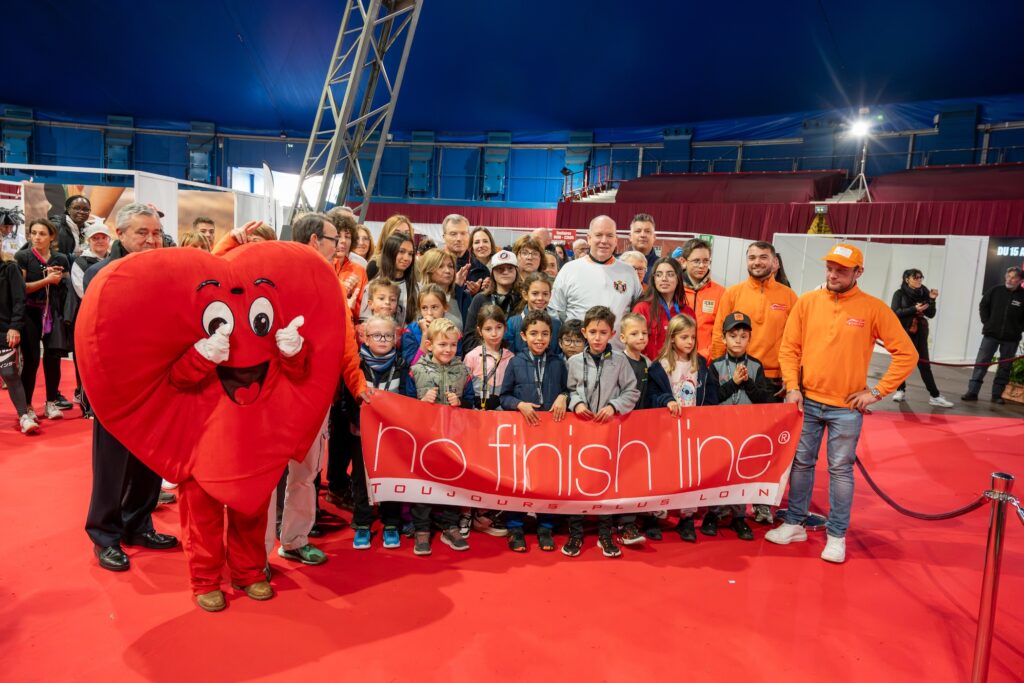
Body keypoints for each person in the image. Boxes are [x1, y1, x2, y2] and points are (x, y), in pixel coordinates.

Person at [768, 243, 917, 563]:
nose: (833, 274)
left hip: (846, 408)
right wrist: (792, 387)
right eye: (830, 268)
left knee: (840, 470)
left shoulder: (873, 308)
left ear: (858, 272)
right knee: (801, 464)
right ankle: (794, 522)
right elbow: (789, 348)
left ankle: (836, 535)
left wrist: (877, 393)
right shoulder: (808, 302)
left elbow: (907, 354)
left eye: (842, 270)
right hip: (807, 401)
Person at [269, 212, 370, 568]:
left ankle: (294, 540)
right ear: (315, 240)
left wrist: (356, 384)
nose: (340, 245)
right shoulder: (272, 275)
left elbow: (344, 340)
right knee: (267, 476)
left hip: (315, 397)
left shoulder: (330, 280)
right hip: (273, 396)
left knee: (306, 472)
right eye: (333, 239)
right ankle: (253, 554)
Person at [83, 203, 178, 572]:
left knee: (150, 461)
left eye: (155, 232)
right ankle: (104, 535)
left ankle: (138, 524)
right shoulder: (100, 273)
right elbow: (89, 335)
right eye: (142, 232)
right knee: (111, 466)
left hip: (158, 384)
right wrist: (90, 388)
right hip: (115, 386)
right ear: (120, 234)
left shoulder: (166, 270)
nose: (151, 239)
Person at [563, 305, 640, 558]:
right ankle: (576, 532)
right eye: (593, 332)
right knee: (579, 482)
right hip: (581, 432)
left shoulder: (620, 361)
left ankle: (605, 533)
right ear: (584, 332)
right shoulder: (574, 362)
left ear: (613, 334)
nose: (597, 337)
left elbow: (632, 391)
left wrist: (613, 406)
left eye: (603, 332)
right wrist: (577, 403)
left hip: (608, 432)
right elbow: (570, 390)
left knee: (606, 483)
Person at [499, 309, 569, 552]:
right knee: (518, 480)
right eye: (534, 334)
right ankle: (515, 526)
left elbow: (568, 389)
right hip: (523, 435)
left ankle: (545, 526)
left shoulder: (559, 363)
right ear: (523, 335)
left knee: (547, 480)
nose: (539, 338)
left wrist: (563, 396)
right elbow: (504, 396)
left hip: (551, 436)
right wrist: (519, 404)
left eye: (545, 334)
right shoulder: (515, 362)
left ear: (552, 336)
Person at [347, 315, 416, 550]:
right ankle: (363, 523)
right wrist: (360, 422)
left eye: (388, 336)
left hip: (391, 435)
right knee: (360, 480)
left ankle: (391, 524)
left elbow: (407, 398)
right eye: (377, 335)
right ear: (365, 338)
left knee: (390, 478)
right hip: (362, 434)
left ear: (396, 338)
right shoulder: (356, 365)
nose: (383, 340)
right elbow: (347, 401)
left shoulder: (401, 364)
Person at [410, 318, 476, 555]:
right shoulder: (415, 370)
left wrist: (462, 402)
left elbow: (473, 403)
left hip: (454, 438)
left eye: (452, 345)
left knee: (453, 481)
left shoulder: (463, 371)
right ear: (429, 345)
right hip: (423, 438)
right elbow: (401, 404)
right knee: (422, 483)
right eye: (442, 345)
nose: (448, 350)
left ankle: (450, 524)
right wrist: (419, 402)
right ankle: (422, 528)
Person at [705, 312, 772, 536]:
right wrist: (734, 383)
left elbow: (764, 399)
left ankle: (739, 515)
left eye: (743, 336)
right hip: (720, 430)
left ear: (749, 340)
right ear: (723, 338)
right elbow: (711, 399)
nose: (738, 340)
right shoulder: (714, 366)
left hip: (747, 429)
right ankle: (713, 513)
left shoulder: (756, 366)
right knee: (718, 471)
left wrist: (748, 382)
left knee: (742, 472)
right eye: (733, 335)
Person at [657, 314, 718, 542]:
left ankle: (687, 517)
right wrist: (666, 399)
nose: (690, 342)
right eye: (684, 337)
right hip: (668, 429)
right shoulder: (661, 365)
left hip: (693, 429)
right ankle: (657, 513)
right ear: (672, 338)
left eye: (693, 337)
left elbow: (710, 394)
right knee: (665, 471)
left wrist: (707, 415)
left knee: (690, 472)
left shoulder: (700, 364)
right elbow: (654, 394)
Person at [618, 312, 679, 541]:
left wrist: (667, 401)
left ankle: (635, 519)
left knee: (638, 475)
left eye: (644, 333)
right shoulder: (617, 362)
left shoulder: (649, 364)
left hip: (642, 430)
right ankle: (621, 522)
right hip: (619, 428)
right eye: (634, 333)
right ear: (622, 337)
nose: (641, 337)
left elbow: (656, 393)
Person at [710, 241, 797, 397]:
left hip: (773, 380)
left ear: (774, 261)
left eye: (763, 257)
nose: (757, 262)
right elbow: (718, 335)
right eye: (752, 258)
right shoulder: (732, 293)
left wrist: (791, 379)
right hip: (736, 374)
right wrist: (720, 371)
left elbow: (796, 341)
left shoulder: (789, 296)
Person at [550, 216, 642, 350]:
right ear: (589, 238)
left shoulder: (628, 272)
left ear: (616, 240)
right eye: (599, 235)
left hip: (619, 356)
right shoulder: (569, 269)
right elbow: (556, 312)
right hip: (577, 355)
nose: (604, 241)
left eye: (610, 235)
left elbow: (638, 311)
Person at [463, 305, 515, 537]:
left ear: (505, 328)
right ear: (479, 330)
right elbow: (464, 386)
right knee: (473, 467)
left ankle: (487, 512)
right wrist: (471, 402)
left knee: (496, 468)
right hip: (475, 420)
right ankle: (466, 512)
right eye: (488, 329)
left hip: (500, 421)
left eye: (498, 327)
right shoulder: (472, 356)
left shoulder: (511, 357)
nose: (494, 333)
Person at [16, 219, 72, 419]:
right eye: (34, 233)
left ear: (52, 237)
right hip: (30, 314)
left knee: (53, 359)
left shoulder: (61, 258)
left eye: (42, 233)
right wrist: (46, 280)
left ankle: (51, 402)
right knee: (31, 360)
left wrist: (59, 281)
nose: (37, 237)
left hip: (53, 314)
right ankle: (27, 406)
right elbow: (21, 288)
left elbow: (66, 288)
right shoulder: (23, 256)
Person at [889, 269, 954, 407]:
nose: (919, 280)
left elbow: (930, 314)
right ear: (907, 279)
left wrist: (932, 299)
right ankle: (900, 390)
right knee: (902, 362)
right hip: (904, 332)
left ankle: (934, 396)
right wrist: (914, 309)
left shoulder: (925, 292)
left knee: (924, 364)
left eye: (921, 277)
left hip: (920, 333)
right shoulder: (899, 293)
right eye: (916, 277)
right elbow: (895, 312)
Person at [962, 266, 1024, 404]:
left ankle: (997, 395)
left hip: (1011, 339)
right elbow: (983, 305)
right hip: (991, 335)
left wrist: (1018, 328)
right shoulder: (995, 291)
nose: (1009, 279)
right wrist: (987, 322)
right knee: (981, 363)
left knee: (1005, 367)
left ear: (1020, 280)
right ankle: (972, 392)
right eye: (1008, 276)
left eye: (1013, 277)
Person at [69, 223, 112, 417]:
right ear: (89, 240)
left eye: (103, 237)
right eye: (96, 238)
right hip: (90, 317)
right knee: (88, 363)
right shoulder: (80, 262)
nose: (100, 241)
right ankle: (87, 405)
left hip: (111, 319)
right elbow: (82, 291)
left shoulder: (113, 259)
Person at [632, 257, 692, 360]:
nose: (664, 278)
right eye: (659, 275)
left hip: (678, 371)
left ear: (678, 279)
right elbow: (633, 344)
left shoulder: (687, 312)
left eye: (670, 274)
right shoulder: (642, 308)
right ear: (654, 279)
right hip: (649, 370)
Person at [1, 249, 34, 433]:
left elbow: (19, 299)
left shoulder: (10, 268)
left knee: (9, 373)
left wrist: (15, 326)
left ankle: (23, 416)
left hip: (5, 330)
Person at [463, 250, 522, 351]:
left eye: (510, 268)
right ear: (492, 273)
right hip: (483, 359)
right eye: (500, 269)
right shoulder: (480, 299)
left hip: (514, 358)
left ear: (516, 272)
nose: (505, 272)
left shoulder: (523, 300)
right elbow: (469, 338)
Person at [679, 239, 725, 362]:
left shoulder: (721, 293)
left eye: (706, 261)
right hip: (675, 360)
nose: (701, 265)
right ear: (683, 262)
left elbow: (722, 333)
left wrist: (705, 356)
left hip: (707, 361)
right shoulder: (674, 290)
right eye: (696, 261)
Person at [361, 232, 418, 325]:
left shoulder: (416, 288)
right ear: (390, 252)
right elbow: (363, 325)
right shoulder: (372, 287)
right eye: (402, 251)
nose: (407, 258)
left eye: (410, 254)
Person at [327, 208, 368, 321]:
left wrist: (350, 303)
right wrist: (343, 291)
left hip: (349, 329)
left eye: (348, 236)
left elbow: (362, 311)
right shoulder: (320, 267)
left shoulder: (360, 270)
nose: (343, 241)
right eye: (338, 236)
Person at [505, 272, 561, 355]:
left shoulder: (556, 324)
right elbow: (508, 355)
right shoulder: (513, 323)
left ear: (550, 295)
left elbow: (558, 355)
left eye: (545, 294)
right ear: (525, 295)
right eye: (535, 294)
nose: (540, 298)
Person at [417, 248, 471, 331]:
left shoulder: (464, 297)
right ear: (428, 270)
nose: (447, 271)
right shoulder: (418, 296)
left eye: (450, 266)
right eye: (440, 266)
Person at [366, 214, 413, 280]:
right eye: (397, 233)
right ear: (386, 235)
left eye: (407, 233)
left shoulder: (412, 263)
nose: (402, 237)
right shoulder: (375, 265)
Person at [628, 213, 659, 283]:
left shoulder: (662, 266)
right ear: (630, 237)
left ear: (654, 237)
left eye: (647, 231)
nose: (643, 235)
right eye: (638, 231)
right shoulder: (617, 263)